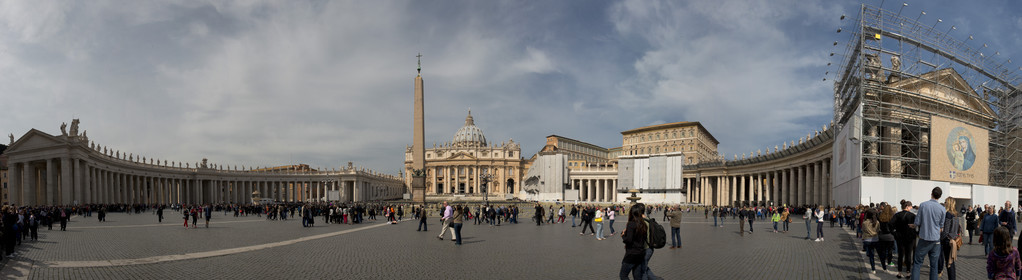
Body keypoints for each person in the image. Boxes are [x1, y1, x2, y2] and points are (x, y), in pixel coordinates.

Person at [912, 187, 947, 280]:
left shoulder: (923, 205)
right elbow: (941, 225)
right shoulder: (942, 209)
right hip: (936, 239)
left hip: (924, 238)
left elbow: (917, 222)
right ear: (940, 196)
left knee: (917, 263)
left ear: (931, 193)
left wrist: (913, 225)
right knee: (934, 266)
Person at [619, 204, 648, 280]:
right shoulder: (643, 224)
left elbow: (628, 240)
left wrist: (623, 235)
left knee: (623, 275)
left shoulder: (631, 224)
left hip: (632, 254)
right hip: (640, 253)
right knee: (637, 276)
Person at [892, 200, 917, 279]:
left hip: (900, 238)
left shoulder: (897, 215)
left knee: (900, 255)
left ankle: (899, 272)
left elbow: (890, 224)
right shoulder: (912, 216)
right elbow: (916, 226)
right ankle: (908, 273)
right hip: (910, 238)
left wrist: (895, 233)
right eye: (910, 207)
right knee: (908, 255)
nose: (911, 208)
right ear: (907, 206)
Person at [938, 197, 961, 280]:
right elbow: (959, 228)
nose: (944, 203)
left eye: (945, 202)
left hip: (947, 241)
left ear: (948, 203)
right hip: (954, 240)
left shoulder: (948, 214)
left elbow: (946, 230)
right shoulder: (955, 214)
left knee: (949, 263)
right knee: (952, 262)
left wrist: (940, 239)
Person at [877, 204, 896, 273]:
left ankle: (883, 262)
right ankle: (889, 262)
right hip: (890, 236)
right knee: (890, 250)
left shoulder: (880, 216)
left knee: (883, 250)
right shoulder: (892, 217)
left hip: (882, 236)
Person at [862, 209, 880, 273]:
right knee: (875, 252)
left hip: (867, 239)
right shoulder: (877, 222)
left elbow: (863, 230)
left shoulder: (865, 223)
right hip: (875, 239)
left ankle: (873, 268)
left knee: (871, 255)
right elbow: (878, 230)